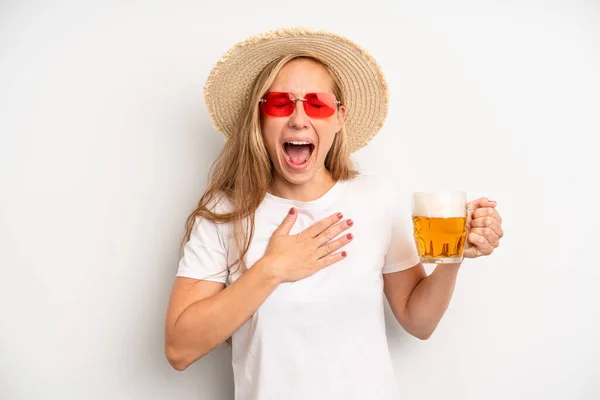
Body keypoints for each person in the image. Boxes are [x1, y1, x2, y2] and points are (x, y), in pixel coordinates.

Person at [164, 27, 504, 400]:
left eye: (317, 104)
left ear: (338, 117)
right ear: (260, 117)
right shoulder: (224, 212)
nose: (297, 118)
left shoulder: (375, 197)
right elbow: (180, 349)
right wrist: (272, 269)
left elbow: (418, 321)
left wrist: (453, 255)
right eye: (280, 103)